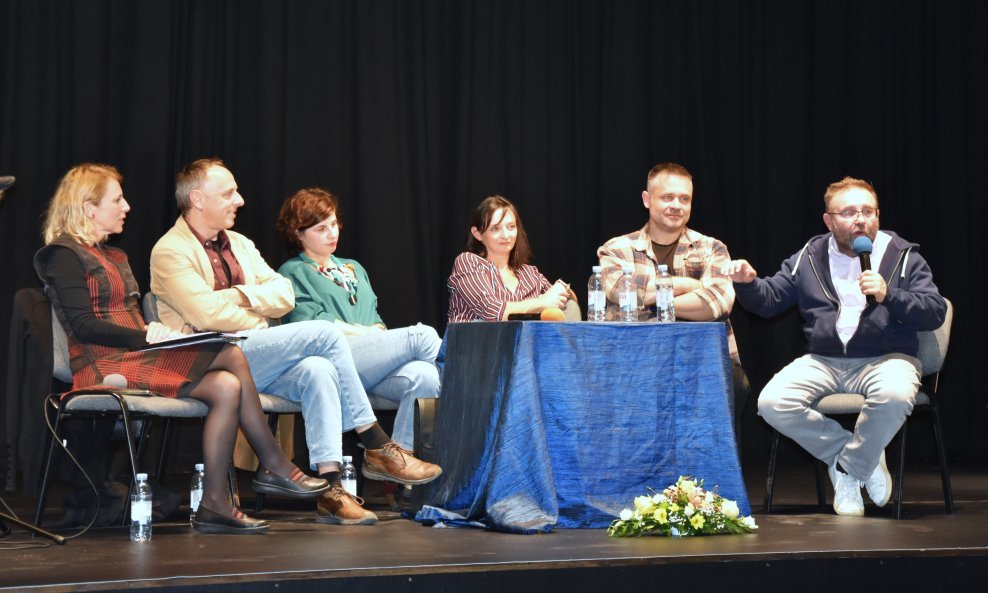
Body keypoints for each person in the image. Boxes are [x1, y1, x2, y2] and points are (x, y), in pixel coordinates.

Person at [35, 164, 328, 535]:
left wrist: (148, 334)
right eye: (117, 199)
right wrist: (146, 336)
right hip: (101, 362)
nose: (126, 206)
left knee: (227, 386)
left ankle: (214, 504)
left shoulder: (117, 257)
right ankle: (273, 462)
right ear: (89, 208)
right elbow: (82, 325)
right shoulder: (61, 255)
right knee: (231, 353)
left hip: (133, 353)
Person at [150, 158, 441, 526]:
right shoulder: (170, 250)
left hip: (259, 355)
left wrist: (238, 297)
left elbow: (283, 295)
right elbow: (207, 316)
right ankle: (375, 442)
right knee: (326, 334)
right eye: (228, 193)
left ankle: (331, 489)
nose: (239, 200)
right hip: (212, 360)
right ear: (197, 198)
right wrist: (257, 310)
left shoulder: (240, 243)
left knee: (320, 369)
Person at [726, 176, 946, 516]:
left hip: (886, 359)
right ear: (829, 220)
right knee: (771, 403)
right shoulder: (810, 256)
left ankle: (846, 473)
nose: (860, 219)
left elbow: (934, 312)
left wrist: (890, 295)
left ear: (878, 215)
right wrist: (748, 284)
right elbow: (769, 301)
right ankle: (860, 457)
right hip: (823, 360)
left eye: (867, 211)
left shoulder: (903, 256)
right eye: (848, 212)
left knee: (894, 396)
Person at [275, 187, 441, 452]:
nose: (332, 233)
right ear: (298, 234)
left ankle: (396, 460)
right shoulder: (292, 271)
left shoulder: (353, 267)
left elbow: (375, 316)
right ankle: (462, 382)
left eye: (334, 224)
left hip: (370, 363)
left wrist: (376, 332)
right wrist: (368, 335)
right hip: (334, 361)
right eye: (321, 229)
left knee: (426, 375)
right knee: (424, 336)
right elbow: (313, 325)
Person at [596, 163, 747, 439]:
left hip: (702, 361)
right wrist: (691, 285)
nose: (676, 205)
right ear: (647, 199)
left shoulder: (713, 248)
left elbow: (716, 303)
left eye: (684, 198)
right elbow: (622, 292)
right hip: (635, 360)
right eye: (667, 197)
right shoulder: (615, 249)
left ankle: (714, 477)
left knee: (734, 383)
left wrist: (653, 296)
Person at [447, 195, 571, 322]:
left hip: (523, 342)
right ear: (477, 233)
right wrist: (541, 301)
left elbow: (566, 304)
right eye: (495, 228)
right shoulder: (468, 262)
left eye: (511, 227)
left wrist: (561, 291)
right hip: (474, 341)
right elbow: (492, 312)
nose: (506, 235)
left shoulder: (529, 273)